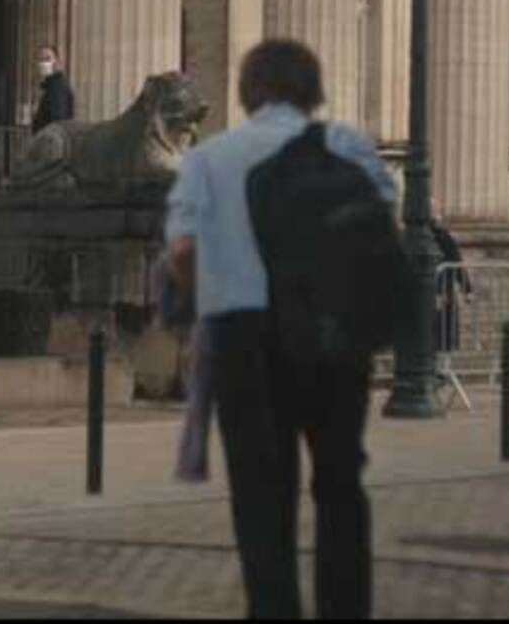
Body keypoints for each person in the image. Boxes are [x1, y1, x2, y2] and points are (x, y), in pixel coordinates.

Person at [164, 39, 394, 620]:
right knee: (340, 485)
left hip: (245, 339)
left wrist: (202, 298)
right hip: (334, 336)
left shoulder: (210, 157)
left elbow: (183, 251)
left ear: (248, 91)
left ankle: (274, 609)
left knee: (262, 495)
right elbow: (378, 231)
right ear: (314, 91)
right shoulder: (351, 149)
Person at [430, 196, 471, 354]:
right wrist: (467, 289)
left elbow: (455, 261)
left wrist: (466, 288)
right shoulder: (440, 234)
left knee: (443, 333)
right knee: (441, 334)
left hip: (442, 290)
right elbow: (456, 260)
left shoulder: (442, 235)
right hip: (437, 290)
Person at [30, 44, 74, 133]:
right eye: (41, 59)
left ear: (57, 62)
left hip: (51, 137)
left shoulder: (58, 86)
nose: (43, 63)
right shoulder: (46, 87)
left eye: (47, 59)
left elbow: (58, 118)